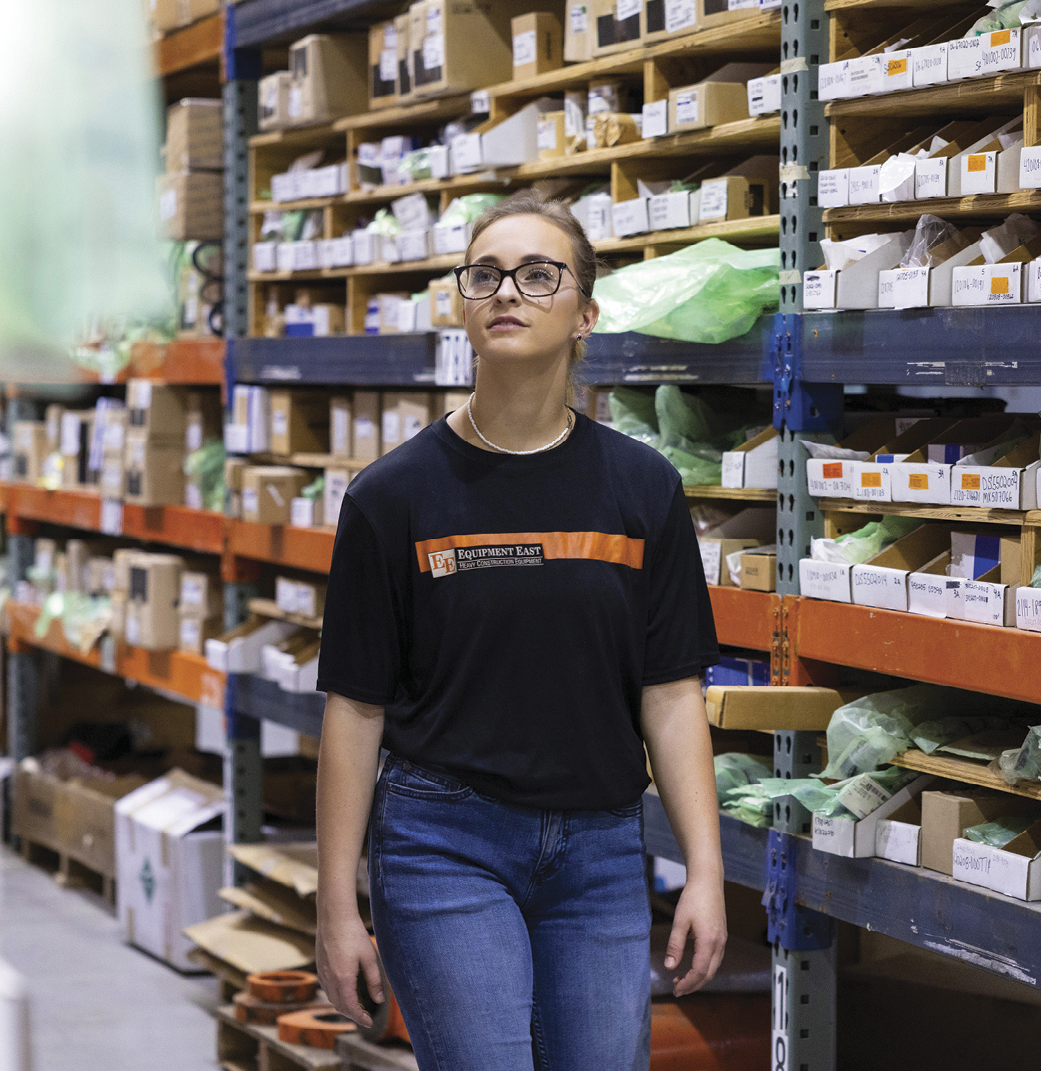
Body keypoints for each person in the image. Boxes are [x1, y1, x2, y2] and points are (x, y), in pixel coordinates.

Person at [313, 189, 726, 1071]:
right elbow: (354, 710)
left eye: (540, 275)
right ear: (462, 305)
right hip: (442, 845)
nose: (509, 290)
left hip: (601, 851)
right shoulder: (392, 498)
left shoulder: (641, 487)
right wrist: (335, 905)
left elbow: (671, 692)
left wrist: (705, 869)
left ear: (585, 314)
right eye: (487, 273)